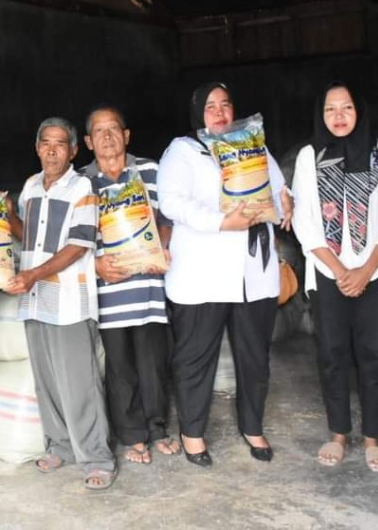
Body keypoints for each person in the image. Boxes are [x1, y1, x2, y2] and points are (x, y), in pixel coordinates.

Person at [157, 82, 291, 467]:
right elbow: (172, 202)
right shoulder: (183, 150)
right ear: (198, 112)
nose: (219, 112)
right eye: (210, 106)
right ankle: (192, 432)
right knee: (196, 357)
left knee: (255, 357)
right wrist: (221, 222)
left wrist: (286, 202)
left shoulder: (253, 145)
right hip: (203, 273)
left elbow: (278, 188)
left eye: (225, 105)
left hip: (253, 274)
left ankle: (252, 426)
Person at [291, 82, 378, 473]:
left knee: (372, 354)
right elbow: (305, 223)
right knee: (332, 354)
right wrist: (342, 271)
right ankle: (338, 433)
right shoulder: (309, 157)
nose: (338, 116)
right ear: (320, 115)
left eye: (347, 108)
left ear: (360, 111)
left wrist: (366, 270)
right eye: (330, 109)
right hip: (327, 273)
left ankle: (373, 437)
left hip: (375, 270)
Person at [4, 117, 116, 491]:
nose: (52, 150)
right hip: (36, 300)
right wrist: (9, 217)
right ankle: (60, 446)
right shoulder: (31, 187)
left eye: (60, 144)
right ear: (37, 148)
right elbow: (29, 236)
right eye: (45, 143)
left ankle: (97, 458)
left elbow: (79, 245)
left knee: (79, 383)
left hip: (70, 299)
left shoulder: (82, 187)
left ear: (73, 151)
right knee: (47, 380)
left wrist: (33, 275)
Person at [80, 106, 180, 465]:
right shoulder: (81, 182)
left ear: (126, 135)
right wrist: (94, 264)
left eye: (114, 129)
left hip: (149, 286)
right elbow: (72, 237)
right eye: (99, 131)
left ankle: (157, 429)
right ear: (88, 141)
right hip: (109, 290)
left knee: (153, 362)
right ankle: (132, 435)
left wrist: (161, 246)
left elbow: (167, 217)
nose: (107, 136)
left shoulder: (150, 170)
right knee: (120, 367)